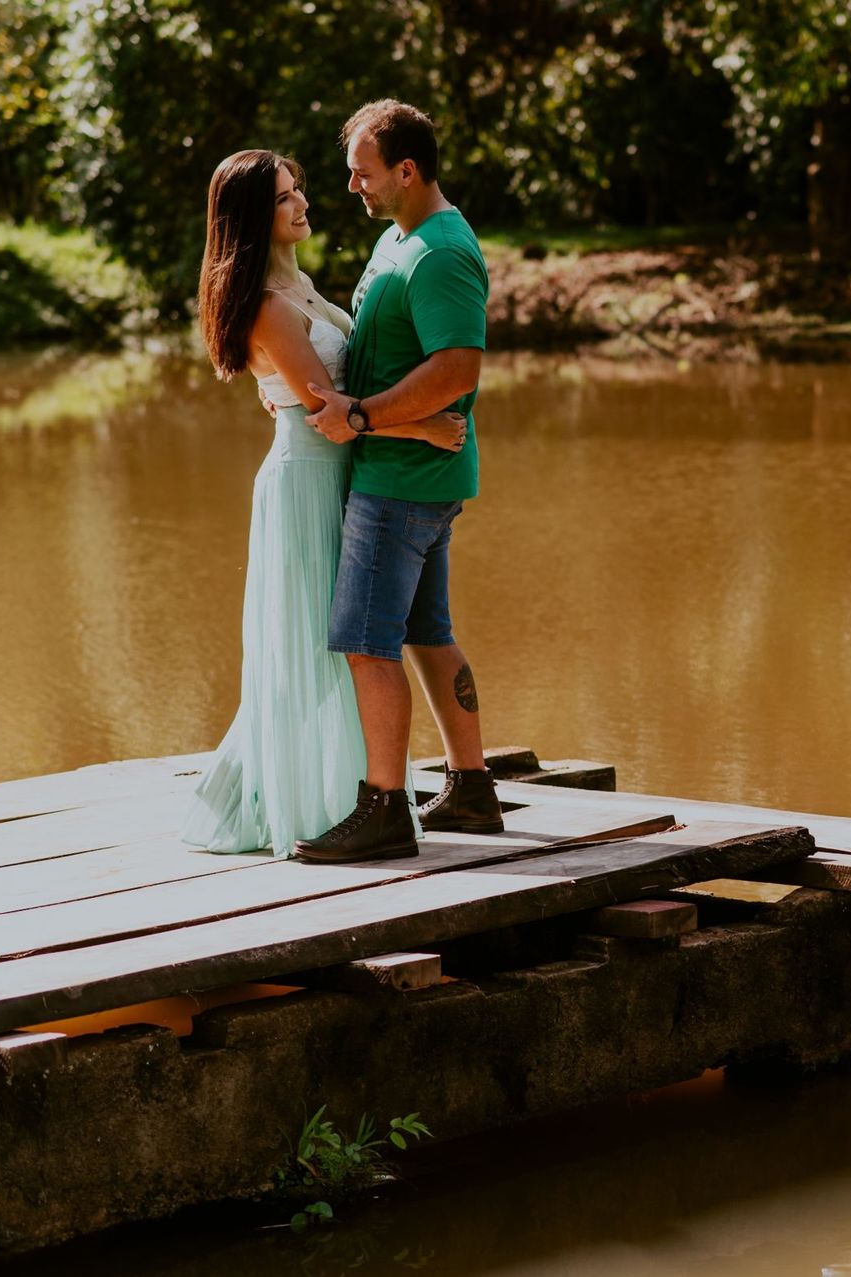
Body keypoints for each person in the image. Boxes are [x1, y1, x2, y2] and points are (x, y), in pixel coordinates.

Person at [182, 149, 466, 857]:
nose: (303, 203)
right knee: (315, 645)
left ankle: (346, 793)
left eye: (297, 191)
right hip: (307, 482)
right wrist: (425, 424)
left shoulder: (297, 286)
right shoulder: (271, 306)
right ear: (255, 218)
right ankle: (287, 795)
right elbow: (326, 409)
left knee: (336, 642)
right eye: (285, 198)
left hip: (337, 476)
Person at [294, 99, 502, 864]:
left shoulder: (440, 252)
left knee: (365, 643)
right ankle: (471, 789)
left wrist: (365, 418)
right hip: (414, 469)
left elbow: (456, 370)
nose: (352, 185)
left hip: (401, 479)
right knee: (425, 631)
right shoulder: (400, 238)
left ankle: (384, 807)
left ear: (406, 171)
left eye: (363, 171)